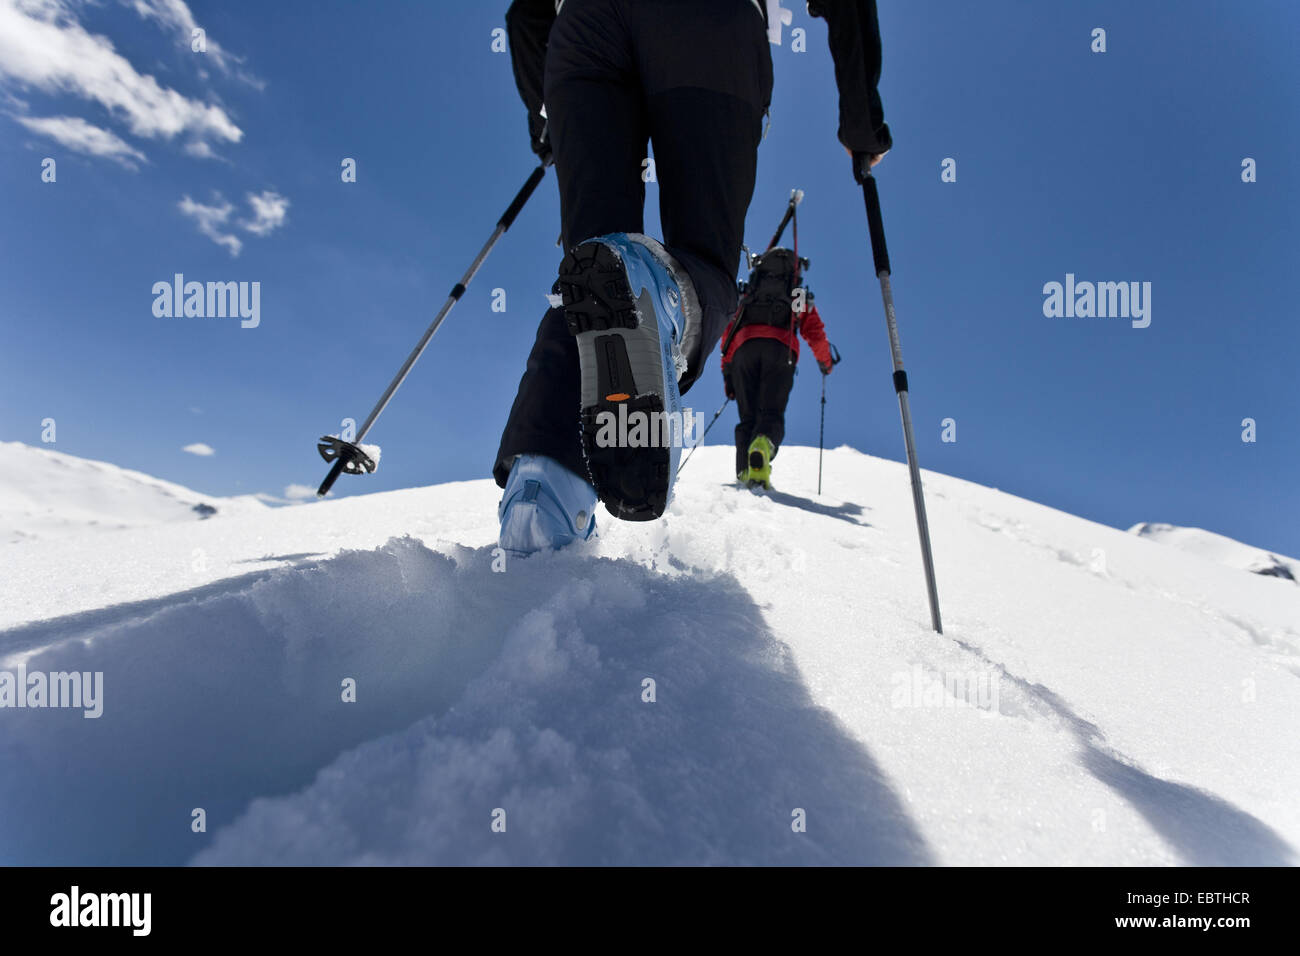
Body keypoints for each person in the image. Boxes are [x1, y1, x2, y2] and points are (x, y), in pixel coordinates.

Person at [494, 0, 891, 555]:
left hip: (582, 32)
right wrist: (860, 120)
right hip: (711, 28)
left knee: (591, 268)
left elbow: (523, 15)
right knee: (698, 262)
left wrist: (548, 122)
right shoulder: (794, 289)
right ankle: (654, 295)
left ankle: (545, 489)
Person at [720, 248, 835, 489]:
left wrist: (727, 373)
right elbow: (813, 330)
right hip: (780, 351)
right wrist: (825, 362)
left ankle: (744, 473)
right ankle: (762, 447)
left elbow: (728, 330)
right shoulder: (796, 293)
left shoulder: (749, 292)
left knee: (747, 416)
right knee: (771, 413)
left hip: (743, 350)